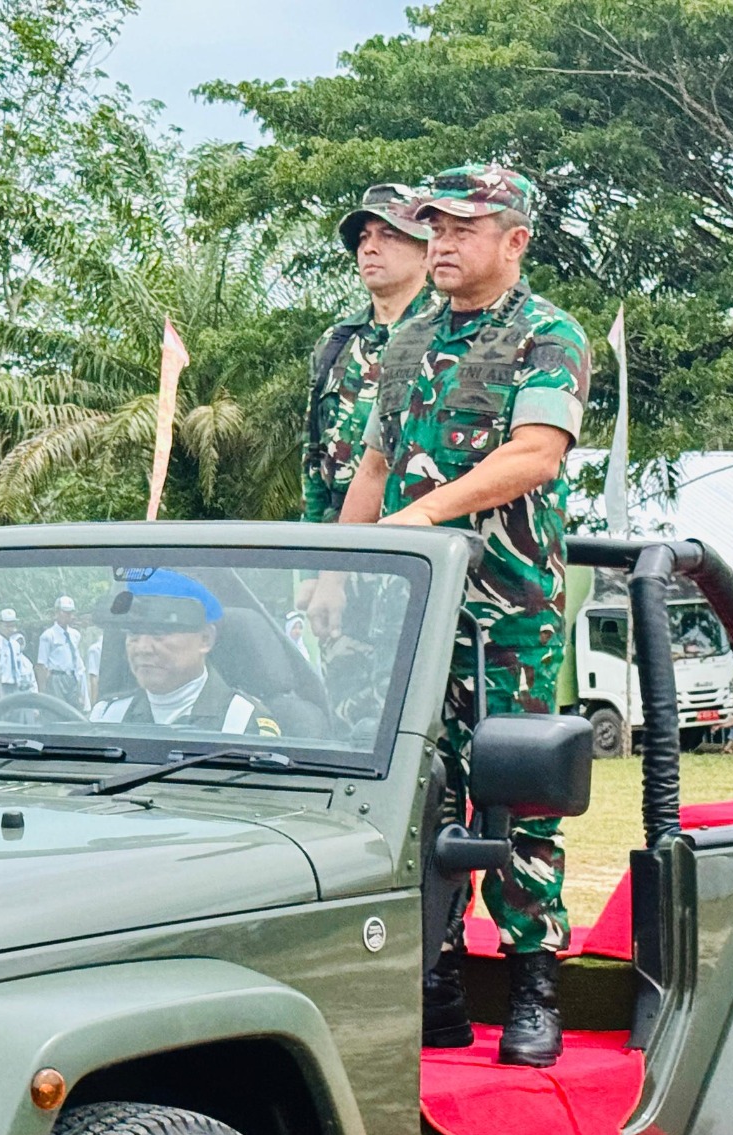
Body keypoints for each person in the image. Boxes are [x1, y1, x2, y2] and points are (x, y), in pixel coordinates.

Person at [327, 164, 591, 1068]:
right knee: (412, 795)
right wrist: (333, 570)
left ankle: (532, 981)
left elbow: (536, 457)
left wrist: (424, 515)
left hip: (506, 607)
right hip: (408, 618)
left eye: (461, 229)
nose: (438, 243)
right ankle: (434, 976)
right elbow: (373, 465)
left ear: (513, 240)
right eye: (432, 227)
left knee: (516, 794)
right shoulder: (405, 342)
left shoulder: (547, 335)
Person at [304, 182, 437, 523]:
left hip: (415, 529)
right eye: (363, 238)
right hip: (341, 536)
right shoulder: (336, 341)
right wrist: (310, 558)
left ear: (427, 250)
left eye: (388, 236)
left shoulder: (447, 335)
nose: (370, 249)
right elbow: (314, 459)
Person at [87, 573, 280, 735]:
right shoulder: (108, 716)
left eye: (159, 633)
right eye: (134, 633)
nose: (142, 648)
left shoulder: (243, 722)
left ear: (205, 639)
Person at [35, 596, 89, 710]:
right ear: (57, 613)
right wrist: (42, 690)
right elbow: (41, 665)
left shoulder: (75, 635)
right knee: (58, 710)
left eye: (71, 613)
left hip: (72, 676)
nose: (69, 616)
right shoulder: (48, 635)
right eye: (65, 612)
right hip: (56, 677)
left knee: (74, 709)